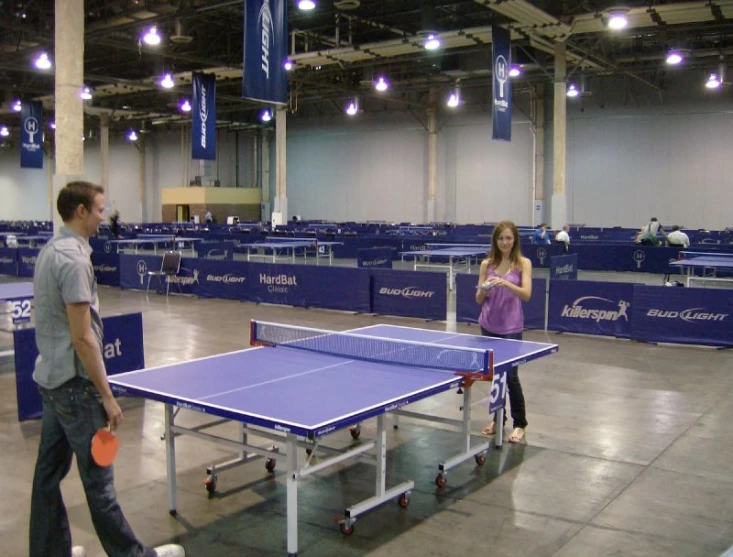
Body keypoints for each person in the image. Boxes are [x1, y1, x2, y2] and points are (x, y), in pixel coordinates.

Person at [29, 181, 185, 557]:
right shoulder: (74, 260)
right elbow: (83, 339)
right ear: (80, 211)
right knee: (100, 487)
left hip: (51, 384)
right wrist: (107, 396)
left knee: (46, 480)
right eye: (99, 210)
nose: (104, 217)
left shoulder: (50, 251)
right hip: (77, 390)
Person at [475, 220, 533, 443]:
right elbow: (479, 299)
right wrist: (485, 288)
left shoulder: (523, 264)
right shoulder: (486, 264)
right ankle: (498, 419)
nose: (505, 242)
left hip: (511, 327)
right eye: (501, 238)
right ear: (495, 241)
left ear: (514, 239)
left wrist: (505, 283)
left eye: (508, 238)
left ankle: (520, 424)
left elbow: (526, 294)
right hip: (488, 325)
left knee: (511, 376)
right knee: (495, 376)